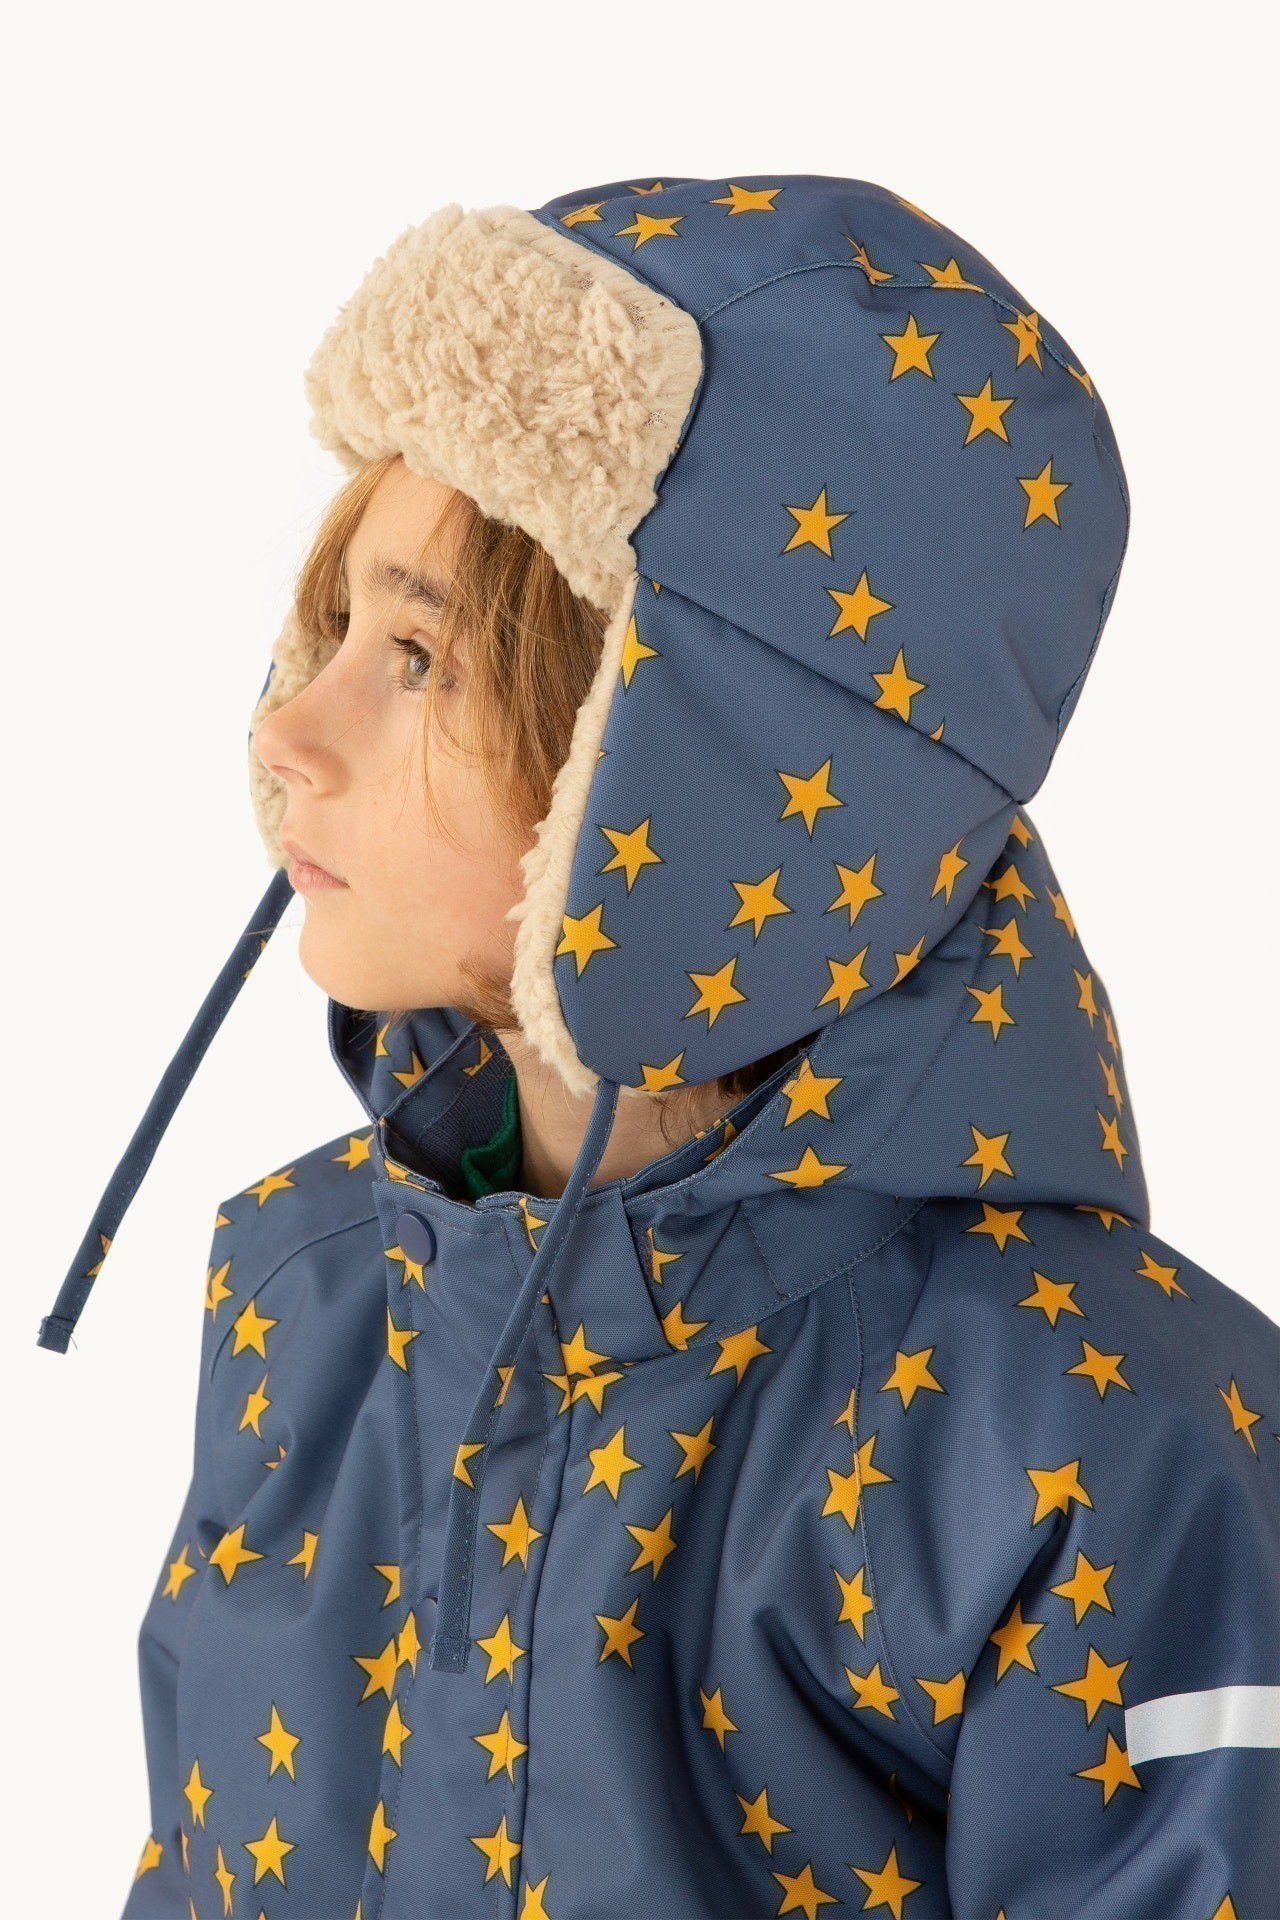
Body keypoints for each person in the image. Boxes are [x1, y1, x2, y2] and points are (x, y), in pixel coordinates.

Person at [38, 176, 1278, 1920]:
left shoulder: (1095, 1434)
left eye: (419, 655)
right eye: (334, 631)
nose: (290, 729)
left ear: (712, 770)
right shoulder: (309, 1304)